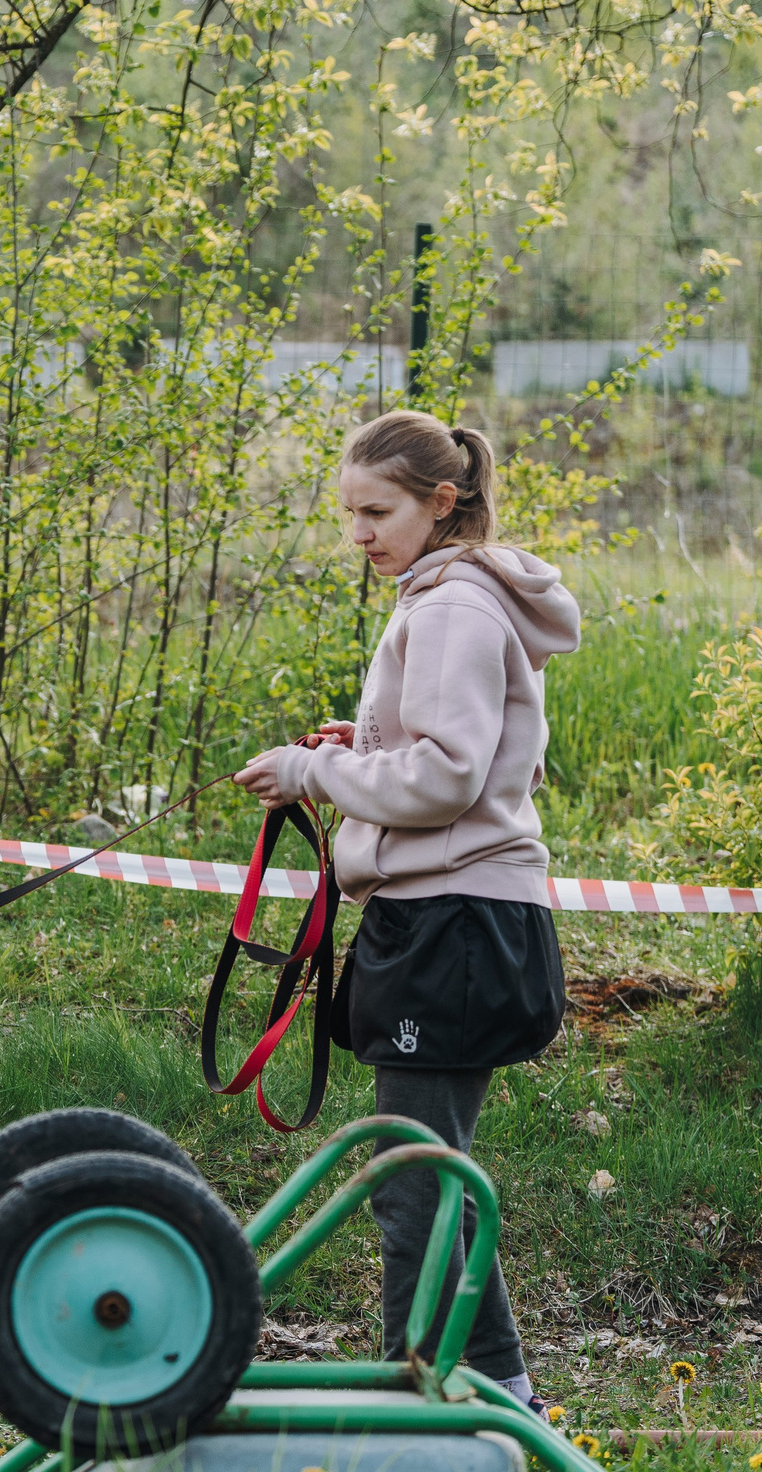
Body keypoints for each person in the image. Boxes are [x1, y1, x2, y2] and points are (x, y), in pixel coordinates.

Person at [231, 409, 581, 1411]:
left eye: (376, 512)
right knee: (432, 1175)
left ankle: (421, 1408)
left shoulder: (454, 608)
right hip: (441, 916)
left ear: (441, 502)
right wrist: (364, 747)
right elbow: (462, 754)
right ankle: (499, 1395)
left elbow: (449, 776)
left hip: (455, 922)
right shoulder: (447, 597)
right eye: (348, 514)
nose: (359, 534)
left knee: (414, 1183)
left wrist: (315, 771)